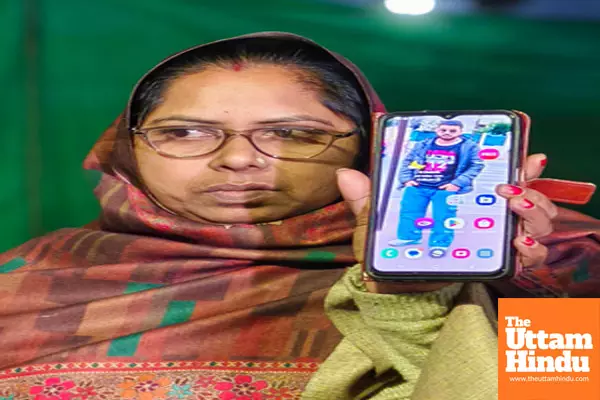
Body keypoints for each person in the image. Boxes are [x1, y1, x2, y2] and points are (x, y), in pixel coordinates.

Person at [0, 32, 598, 400]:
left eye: (294, 133)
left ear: (367, 148)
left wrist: (531, 290)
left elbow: (563, 388)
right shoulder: (28, 280)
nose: (237, 160)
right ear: (129, 148)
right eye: (183, 132)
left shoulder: (552, 265)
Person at [390, 119, 483, 249]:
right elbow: (408, 161)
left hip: (445, 188)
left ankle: (439, 243)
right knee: (409, 213)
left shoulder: (469, 146)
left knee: (444, 216)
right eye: (443, 130)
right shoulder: (423, 144)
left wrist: (457, 183)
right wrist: (406, 180)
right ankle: (409, 237)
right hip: (417, 186)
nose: (447, 133)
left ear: (461, 132)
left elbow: (476, 166)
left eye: (452, 131)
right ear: (437, 130)